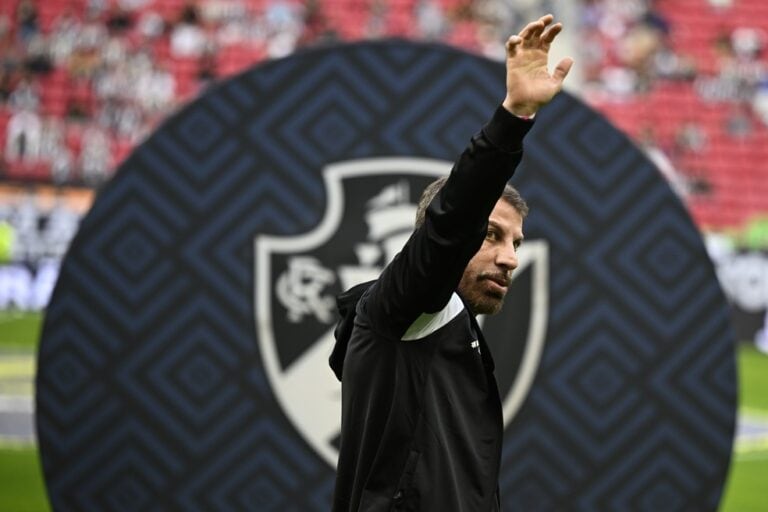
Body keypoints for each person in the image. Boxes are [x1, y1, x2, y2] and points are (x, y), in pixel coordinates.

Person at [328, 14, 573, 512]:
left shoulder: (449, 330)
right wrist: (514, 116)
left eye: (517, 243)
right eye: (492, 235)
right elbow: (452, 222)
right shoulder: (407, 312)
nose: (510, 258)